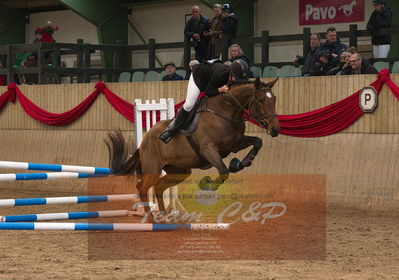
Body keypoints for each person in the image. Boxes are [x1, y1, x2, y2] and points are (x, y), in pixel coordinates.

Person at [159, 59, 249, 143]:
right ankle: (171, 130)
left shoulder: (232, 75)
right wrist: (219, 90)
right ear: (231, 73)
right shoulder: (220, 74)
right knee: (188, 105)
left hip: (210, 79)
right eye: (236, 78)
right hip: (198, 79)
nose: (236, 81)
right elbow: (208, 92)